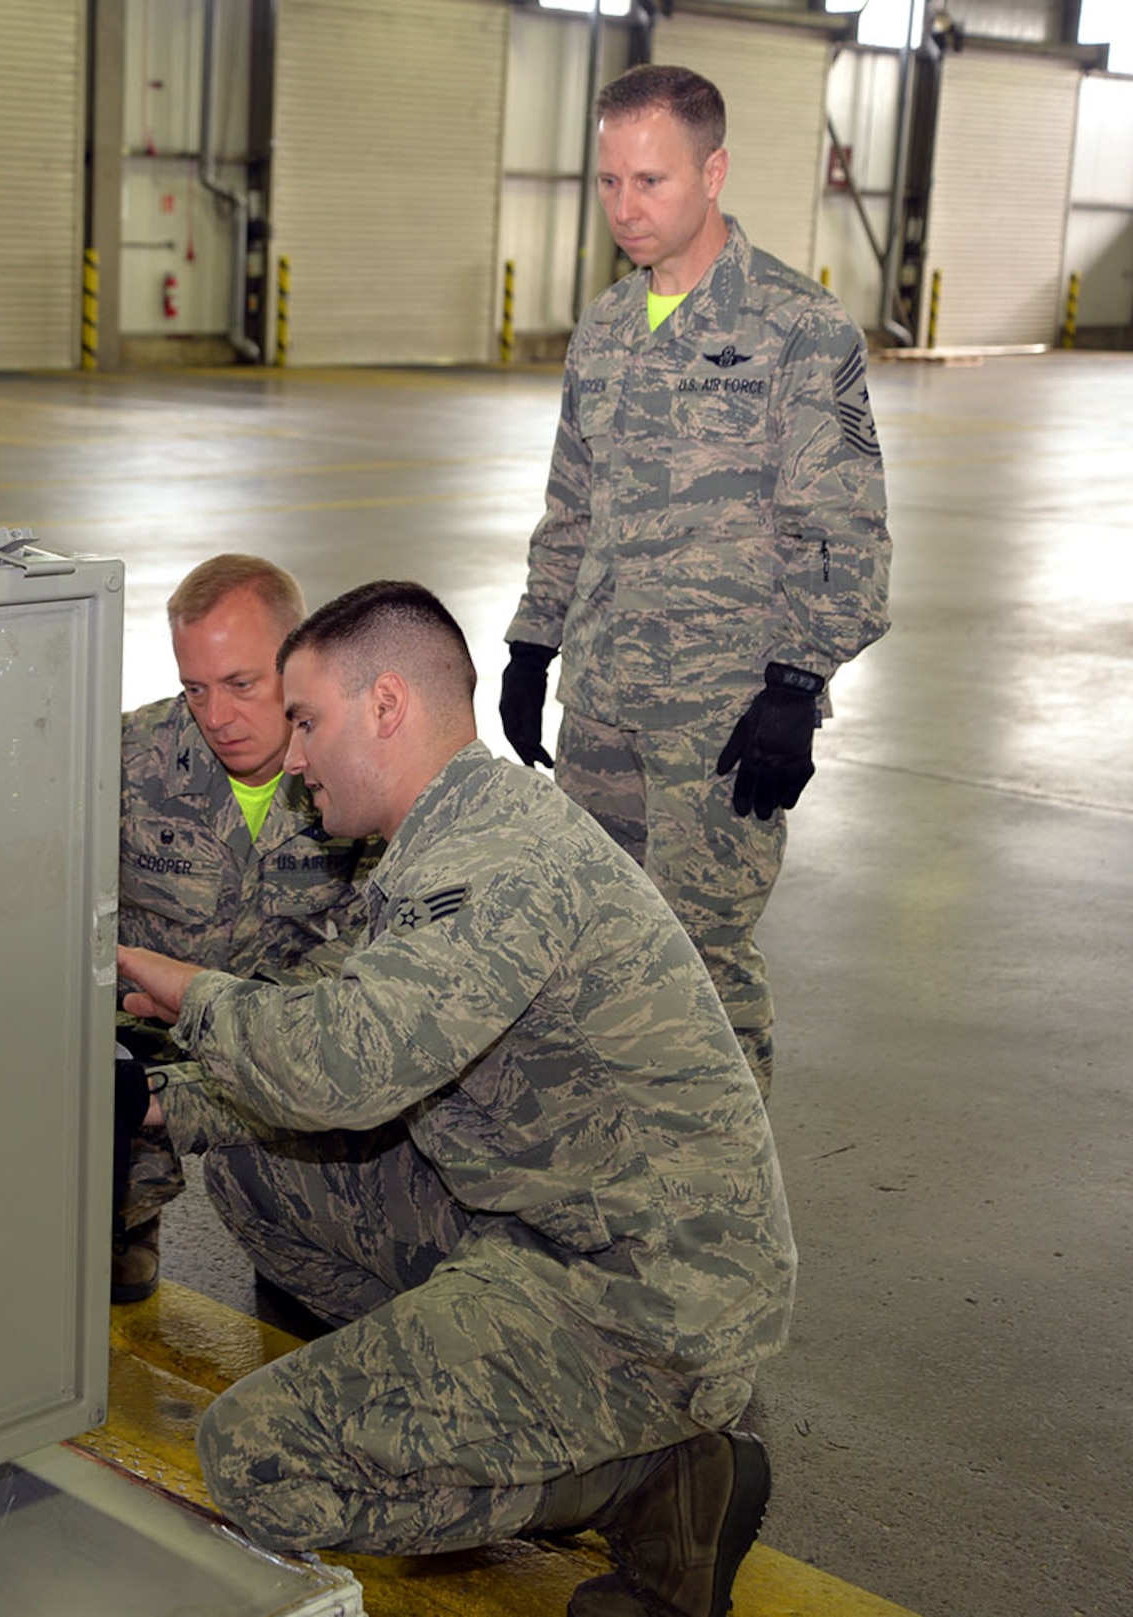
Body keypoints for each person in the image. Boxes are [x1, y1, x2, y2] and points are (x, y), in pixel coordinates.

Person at [117, 581, 796, 1617]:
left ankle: (651, 1480)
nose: (290, 755)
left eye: (305, 720)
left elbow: (342, 1066)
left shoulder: (495, 861)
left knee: (256, 1458)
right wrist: (157, 1103)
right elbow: (315, 1027)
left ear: (385, 705)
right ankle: (481, 1389)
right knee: (259, 1167)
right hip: (550, 1224)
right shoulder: (442, 840)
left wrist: (183, 991)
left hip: (648, 1291)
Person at [500, 64, 891, 1092]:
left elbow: (843, 530)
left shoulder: (798, 331)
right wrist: (531, 642)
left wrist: (795, 685)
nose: (625, 208)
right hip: (603, 701)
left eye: (652, 181)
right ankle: (616, 1180)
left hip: (720, 719)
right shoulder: (604, 328)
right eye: (608, 182)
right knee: (590, 947)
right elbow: (571, 504)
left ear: (711, 172)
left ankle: (725, 1211)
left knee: (700, 968)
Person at [112, 553, 380, 1302]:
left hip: (289, 1057)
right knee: (96, 1283)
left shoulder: (358, 775)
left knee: (310, 1283)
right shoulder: (129, 759)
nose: (218, 716)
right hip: (138, 1053)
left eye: (242, 684)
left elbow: (367, 985)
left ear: (296, 661)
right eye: (195, 688)